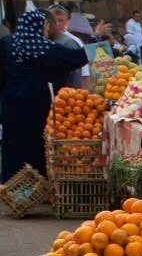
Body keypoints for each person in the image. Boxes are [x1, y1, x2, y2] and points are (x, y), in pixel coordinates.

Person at [0, 9, 88, 181]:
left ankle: (12, 189)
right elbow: (76, 58)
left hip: (12, 109)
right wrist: (98, 43)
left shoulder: (6, 44)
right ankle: (37, 187)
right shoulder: (46, 48)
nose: (47, 31)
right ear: (39, 27)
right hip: (40, 109)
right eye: (46, 27)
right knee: (38, 148)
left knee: (13, 148)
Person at [49, 4, 89, 89]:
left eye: (61, 20)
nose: (57, 24)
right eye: (54, 20)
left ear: (67, 22)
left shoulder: (70, 42)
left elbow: (80, 73)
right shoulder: (43, 39)